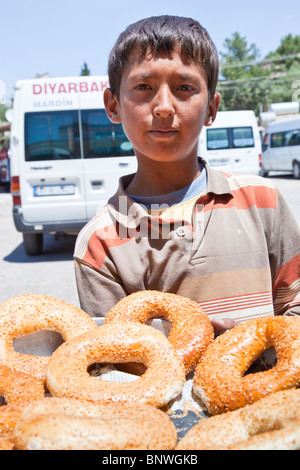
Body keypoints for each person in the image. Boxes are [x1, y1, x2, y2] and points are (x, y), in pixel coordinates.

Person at [74, 15, 300, 334]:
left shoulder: (262, 202)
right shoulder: (100, 244)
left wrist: (255, 352)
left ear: (211, 107)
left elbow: (294, 306)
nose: (164, 106)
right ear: (113, 106)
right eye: (143, 87)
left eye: (184, 87)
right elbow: (114, 363)